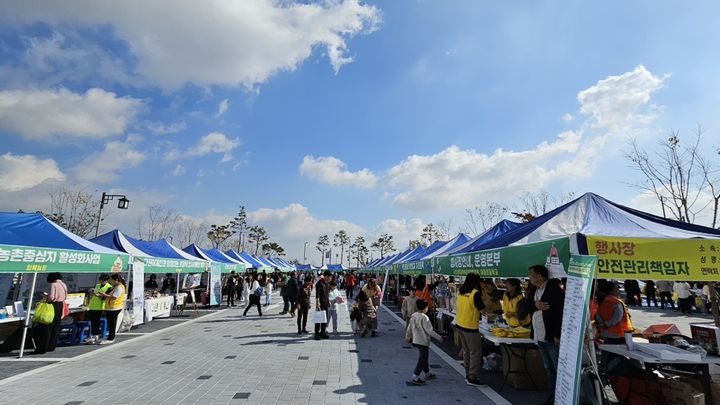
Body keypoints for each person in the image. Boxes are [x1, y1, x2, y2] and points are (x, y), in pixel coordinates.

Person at [525, 265, 564, 405]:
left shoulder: (554, 290)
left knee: (557, 368)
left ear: (540, 276)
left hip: (551, 337)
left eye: (532, 274)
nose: (530, 277)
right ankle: (552, 396)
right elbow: (526, 306)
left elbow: (559, 314)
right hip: (539, 335)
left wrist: (557, 334)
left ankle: (560, 397)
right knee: (549, 368)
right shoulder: (535, 290)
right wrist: (535, 305)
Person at [454, 273, 486, 387]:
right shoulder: (475, 294)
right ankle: (472, 377)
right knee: (475, 353)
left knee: (467, 351)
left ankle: (468, 374)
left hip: (460, 324)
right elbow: (483, 311)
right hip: (470, 327)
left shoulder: (460, 291)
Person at [405, 298, 443, 385]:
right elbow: (430, 331)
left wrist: (408, 337)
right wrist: (439, 337)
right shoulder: (425, 318)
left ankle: (427, 373)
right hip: (423, 341)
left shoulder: (414, 315)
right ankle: (415, 376)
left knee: (424, 357)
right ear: (425, 307)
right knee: (422, 358)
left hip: (416, 340)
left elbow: (409, 327)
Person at [33, 273, 68, 354]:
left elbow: (51, 297)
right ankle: (51, 346)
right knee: (56, 327)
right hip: (60, 306)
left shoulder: (53, 284)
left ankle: (42, 348)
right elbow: (65, 297)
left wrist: (46, 298)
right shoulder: (63, 284)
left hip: (52, 306)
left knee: (46, 326)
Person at [98, 273, 126, 345]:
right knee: (110, 323)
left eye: (112, 280)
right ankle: (110, 337)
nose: (111, 282)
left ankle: (111, 338)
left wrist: (105, 295)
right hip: (111, 307)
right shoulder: (115, 286)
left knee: (112, 324)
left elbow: (114, 297)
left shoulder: (119, 287)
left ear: (116, 280)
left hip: (114, 307)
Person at [86, 274, 112, 345]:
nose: (101, 282)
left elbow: (105, 298)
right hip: (92, 305)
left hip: (100, 307)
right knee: (92, 321)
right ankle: (93, 335)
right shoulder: (97, 285)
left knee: (96, 321)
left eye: (103, 280)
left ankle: (96, 335)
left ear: (107, 280)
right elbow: (95, 293)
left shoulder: (109, 287)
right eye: (100, 280)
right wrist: (93, 293)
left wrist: (98, 295)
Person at [314, 270, 332, 340]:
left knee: (324, 319)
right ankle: (316, 334)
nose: (330, 278)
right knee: (319, 319)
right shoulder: (319, 283)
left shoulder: (326, 283)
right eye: (330, 277)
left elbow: (327, 294)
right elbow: (317, 294)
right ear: (326, 276)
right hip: (320, 304)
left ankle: (322, 332)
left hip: (325, 303)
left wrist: (328, 301)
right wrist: (317, 302)